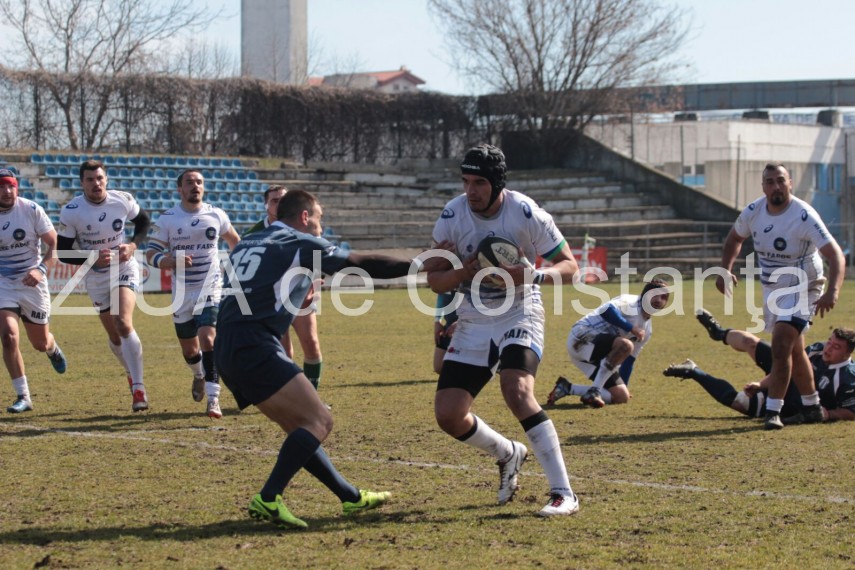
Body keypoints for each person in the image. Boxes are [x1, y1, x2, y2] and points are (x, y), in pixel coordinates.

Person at [215, 188, 421, 529]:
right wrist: (420, 264)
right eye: (319, 219)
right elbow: (361, 264)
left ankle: (350, 497)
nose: (322, 228)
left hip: (230, 343)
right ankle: (269, 497)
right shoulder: (299, 242)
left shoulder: (251, 240)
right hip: (255, 344)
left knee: (300, 426)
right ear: (304, 217)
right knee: (320, 421)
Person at [427, 143, 581, 517]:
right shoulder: (452, 214)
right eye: (466, 181)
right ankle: (508, 453)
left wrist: (536, 274)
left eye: (479, 182)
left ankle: (564, 493)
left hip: (520, 310)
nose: (471, 191)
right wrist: (465, 271)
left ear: (497, 184)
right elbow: (435, 280)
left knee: (516, 388)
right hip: (474, 317)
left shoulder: (524, 212)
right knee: (449, 415)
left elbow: (570, 266)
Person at [718, 162, 845, 429]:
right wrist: (725, 270)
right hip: (774, 288)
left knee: (780, 343)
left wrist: (832, 291)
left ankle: (773, 411)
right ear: (763, 186)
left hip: (805, 285)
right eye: (770, 182)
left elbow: (835, 256)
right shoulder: (753, 212)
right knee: (795, 349)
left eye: (780, 180)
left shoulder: (804, 215)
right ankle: (811, 406)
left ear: (790, 183)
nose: (775, 186)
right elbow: (733, 239)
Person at [57, 160, 151, 412]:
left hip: (123, 268)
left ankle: (139, 388)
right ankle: (132, 374)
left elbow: (143, 223)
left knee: (123, 322)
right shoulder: (72, 211)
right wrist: (91, 258)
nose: (96, 183)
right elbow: (63, 252)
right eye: (90, 179)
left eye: (99, 178)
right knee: (114, 337)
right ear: (82, 183)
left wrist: (132, 245)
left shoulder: (122, 200)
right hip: (96, 275)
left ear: (106, 179)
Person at [145, 169, 240, 418]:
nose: (195, 186)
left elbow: (235, 242)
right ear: (180, 189)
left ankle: (214, 398)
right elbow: (151, 254)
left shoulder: (216, 214)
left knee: (208, 339)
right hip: (181, 293)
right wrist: (169, 261)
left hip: (210, 286)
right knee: (190, 350)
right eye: (189, 182)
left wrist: (238, 270)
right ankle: (198, 374)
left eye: (199, 182)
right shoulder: (168, 219)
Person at [663, 309, 855, 423]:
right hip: (781, 378)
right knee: (751, 343)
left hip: (791, 406)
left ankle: (694, 371)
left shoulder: (848, 377)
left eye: (836, 347)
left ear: (848, 353)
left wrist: (829, 414)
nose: (828, 348)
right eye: (830, 342)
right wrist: (762, 384)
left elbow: (851, 411)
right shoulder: (817, 350)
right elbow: (785, 368)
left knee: (740, 402)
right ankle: (719, 332)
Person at [0, 168, 67, 413]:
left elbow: (55, 243)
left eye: (11, 186)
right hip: (3, 283)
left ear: (17, 187)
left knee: (39, 342)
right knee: (8, 335)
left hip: (32, 282)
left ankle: (52, 348)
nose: (7, 191)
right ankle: (23, 396)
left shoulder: (30, 210)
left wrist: (40, 269)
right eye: (1, 186)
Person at [244, 185, 323, 389]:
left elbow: (317, 254)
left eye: (283, 200)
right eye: (274, 200)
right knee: (284, 354)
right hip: (271, 300)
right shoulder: (255, 233)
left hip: (300, 292)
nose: (279, 204)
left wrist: (313, 282)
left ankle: (311, 397)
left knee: (312, 345)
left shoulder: (303, 226)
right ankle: (290, 398)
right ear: (266, 205)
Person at [546, 278, 670, 408]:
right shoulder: (630, 302)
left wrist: (624, 385)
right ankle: (594, 391)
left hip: (595, 355)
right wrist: (631, 328)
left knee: (621, 396)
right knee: (626, 345)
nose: (659, 300)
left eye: (664, 297)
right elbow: (606, 310)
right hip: (581, 337)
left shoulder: (647, 330)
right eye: (655, 295)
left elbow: (629, 360)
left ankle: (567, 388)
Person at [432, 291, 458, 374]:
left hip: (471, 327)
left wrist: (461, 322)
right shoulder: (446, 279)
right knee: (439, 367)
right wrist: (437, 321)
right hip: (449, 328)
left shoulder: (470, 280)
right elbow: (442, 295)